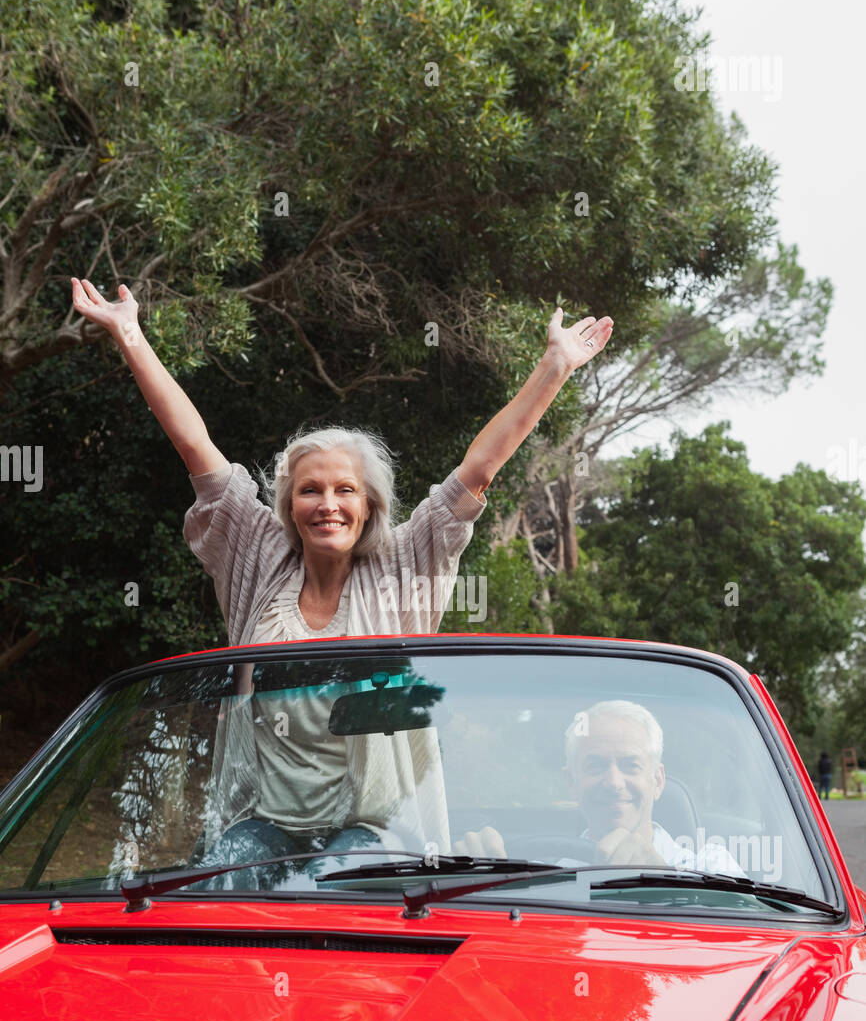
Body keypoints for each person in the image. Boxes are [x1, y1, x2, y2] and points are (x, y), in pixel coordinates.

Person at [70, 275, 614, 881]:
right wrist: (130, 334)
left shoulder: (407, 563)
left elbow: (476, 474)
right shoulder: (255, 553)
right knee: (224, 886)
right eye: (310, 490)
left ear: (369, 504)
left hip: (379, 825)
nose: (327, 503)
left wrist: (556, 366)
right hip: (265, 819)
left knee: (327, 890)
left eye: (344, 490)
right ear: (289, 506)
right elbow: (194, 447)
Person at [456, 699, 744, 874]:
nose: (613, 783)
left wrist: (664, 881)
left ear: (657, 780)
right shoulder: (547, 880)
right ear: (572, 782)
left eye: (630, 765)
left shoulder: (712, 870)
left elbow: (750, 945)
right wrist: (477, 882)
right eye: (596, 766)